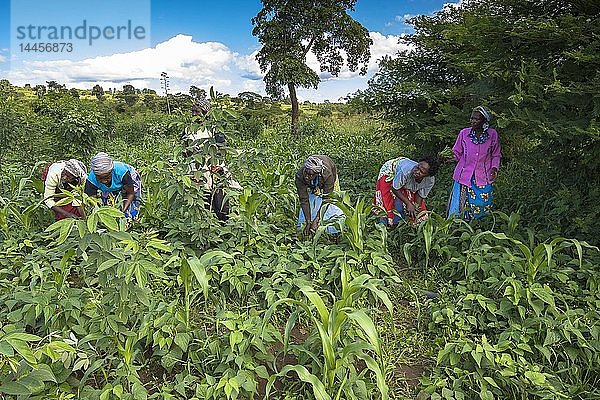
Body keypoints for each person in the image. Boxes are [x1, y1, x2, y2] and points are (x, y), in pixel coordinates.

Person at [183, 98, 240, 221]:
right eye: (192, 111)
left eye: (197, 111)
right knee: (201, 202)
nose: (194, 114)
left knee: (220, 203)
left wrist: (206, 155)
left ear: (206, 112)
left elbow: (221, 148)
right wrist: (191, 152)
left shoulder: (214, 129)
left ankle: (224, 228)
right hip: (196, 169)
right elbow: (184, 149)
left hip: (214, 168)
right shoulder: (188, 130)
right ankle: (205, 228)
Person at [447, 105, 501, 220]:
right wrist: (447, 157)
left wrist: (494, 168)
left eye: (477, 119)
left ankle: (480, 226)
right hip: (464, 175)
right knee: (460, 205)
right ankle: (459, 226)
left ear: (484, 121)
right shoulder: (464, 134)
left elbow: (496, 154)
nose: (473, 121)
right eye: (472, 118)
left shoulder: (492, 135)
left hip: (483, 176)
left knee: (482, 203)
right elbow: (456, 153)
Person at [373, 156, 439, 226]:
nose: (416, 171)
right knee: (388, 200)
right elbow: (395, 189)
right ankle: (384, 224)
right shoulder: (405, 171)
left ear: (427, 175)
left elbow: (419, 196)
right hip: (391, 170)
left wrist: (415, 208)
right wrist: (408, 204)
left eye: (421, 172)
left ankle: (403, 224)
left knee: (412, 205)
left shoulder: (430, 181)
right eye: (417, 167)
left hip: (405, 179)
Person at [85, 152, 142, 221]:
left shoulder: (121, 172)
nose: (104, 181)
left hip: (128, 181)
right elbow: (93, 201)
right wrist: (101, 214)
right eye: (99, 178)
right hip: (112, 185)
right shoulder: (91, 180)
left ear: (111, 172)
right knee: (109, 205)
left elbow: (130, 193)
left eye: (107, 177)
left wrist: (122, 211)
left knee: (131, 212)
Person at [296, 155, 344, 235]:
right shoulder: (300, 176)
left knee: (331, 205)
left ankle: (333, 231)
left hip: (328, 178)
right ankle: (309, 225)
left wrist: (317, 219)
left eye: (310, 175)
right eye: (306, 173)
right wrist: (308, 221)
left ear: (317, 174)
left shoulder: (327, 175)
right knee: (313, 200)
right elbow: (304, 199)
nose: (307, 177)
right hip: (316, 182)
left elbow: (327, 199)